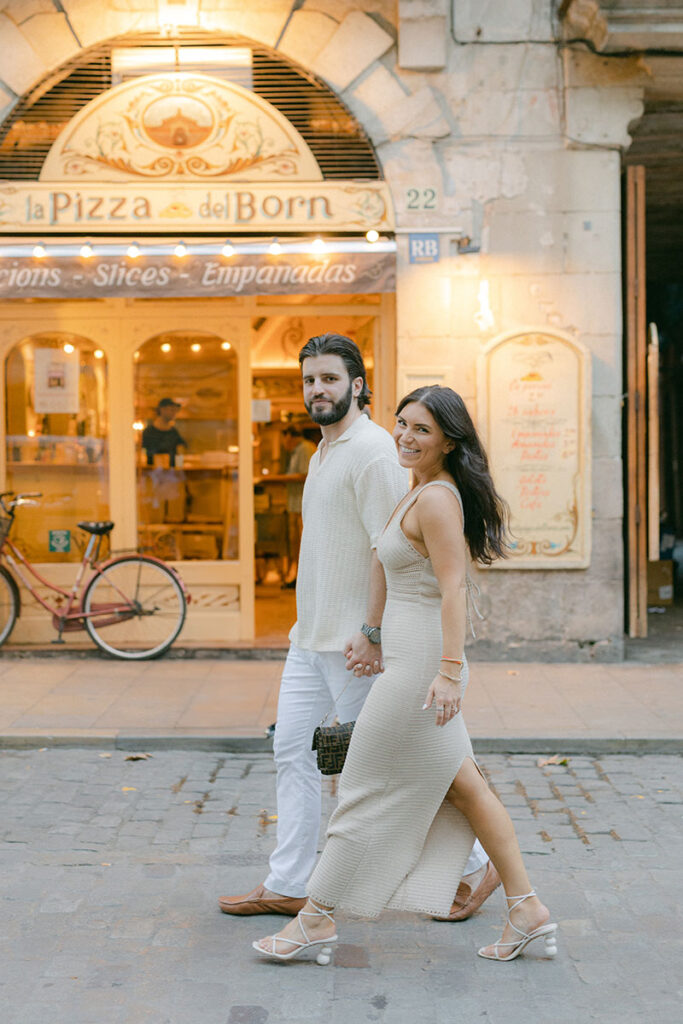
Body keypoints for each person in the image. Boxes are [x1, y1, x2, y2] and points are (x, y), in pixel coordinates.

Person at [253, 385, 558, 965]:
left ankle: (315, 919)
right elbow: (380, 557)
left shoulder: (438, 498)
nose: (406, 436)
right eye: (402, 424)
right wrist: (370, 632)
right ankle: (527, 909)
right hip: (404, 653)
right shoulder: (415, 488)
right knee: (465, 785)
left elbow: (454, 586)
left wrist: (448, 671)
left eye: (422, 429)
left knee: (361, 786)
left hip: (420, 668)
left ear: (449, 440)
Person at [219, 338, 495, 922]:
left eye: (329, 379)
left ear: (357, 384)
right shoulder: (324, 452)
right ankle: (288, 881)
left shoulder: (372, 451)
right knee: (291, 751)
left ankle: (475, 865)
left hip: (358, 647)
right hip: (309, 638)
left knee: (400, 763)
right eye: (309, 380)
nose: (317, 390)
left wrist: (372, 632)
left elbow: (391, 549)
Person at [281, 426, 317, 588]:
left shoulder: (304, 449)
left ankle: (305, 579)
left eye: (284, 439)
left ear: (289, 436)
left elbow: (306, 475)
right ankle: (298, 577)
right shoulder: (297, 451)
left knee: (303, 542)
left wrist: (282, 478)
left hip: (304, 505)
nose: (284, 444)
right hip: (296, 505)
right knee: (296, 542)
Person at [141, 397, 186, 467]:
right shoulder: (148, 432)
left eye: (176, 410)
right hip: (153, 474)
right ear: (162, 410)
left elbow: (181, 450)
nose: (174, 413)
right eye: (172, 410)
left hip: (171, 474)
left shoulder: (174, 432)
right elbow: (143, 454)